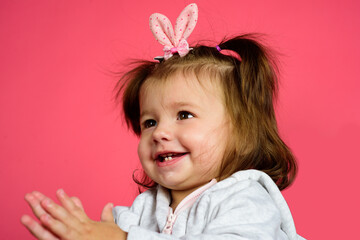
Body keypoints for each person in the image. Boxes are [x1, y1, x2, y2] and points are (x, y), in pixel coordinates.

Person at [21, 3, 305, 240]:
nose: (160, 133)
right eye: (149, 122)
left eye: (184, 115)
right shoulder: (143, 209)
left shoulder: (246, 199)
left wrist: (121, 238)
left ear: (244, 131)